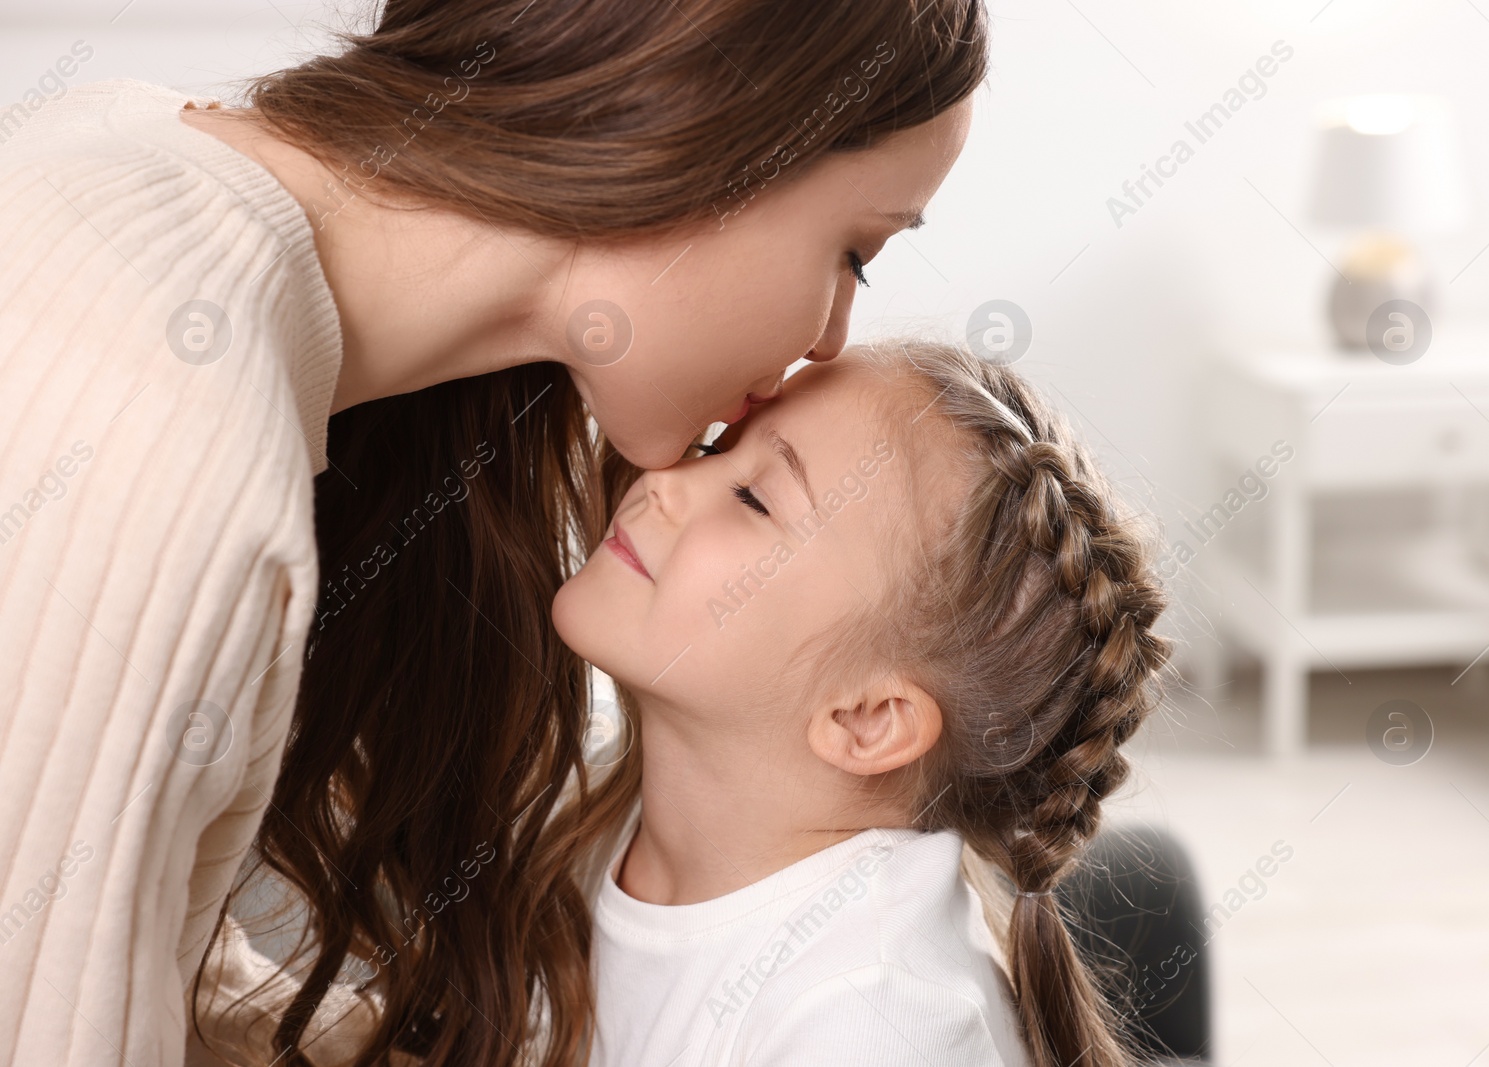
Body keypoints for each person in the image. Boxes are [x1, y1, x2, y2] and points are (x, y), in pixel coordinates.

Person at [0, 2, 987, 1064]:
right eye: (856, 251)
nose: (829, 338)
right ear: (707, 136)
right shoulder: (159, 430)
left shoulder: (133, 164)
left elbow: (121, 956)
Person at [547, 340, 1172, 1066]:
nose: (667, 480)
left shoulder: (874, 1023)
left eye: (754, 498)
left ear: (867, 718)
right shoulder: (596, 825)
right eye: (717, 445)